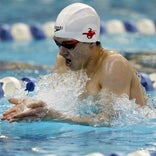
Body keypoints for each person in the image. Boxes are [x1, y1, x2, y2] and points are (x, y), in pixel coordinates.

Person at [1, 3, 147, 126]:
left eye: (68, 45)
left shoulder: (113, 65)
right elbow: (55, 102)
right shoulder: (63, 62)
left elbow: (110, 121)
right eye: (57, 43)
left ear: (90, 41)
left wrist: (57, 117)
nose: (61, 52)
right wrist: (30, 106)